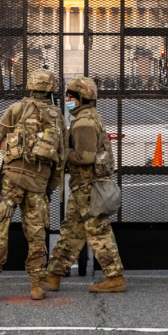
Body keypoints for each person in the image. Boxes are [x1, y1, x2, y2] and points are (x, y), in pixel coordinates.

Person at [0, 69, 66, 301]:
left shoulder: (16, 110)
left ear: (30, 86)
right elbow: (60, 159)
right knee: (37, 233)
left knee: (0, 228)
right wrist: (50, 187)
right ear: (51, 89)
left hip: (11, 179)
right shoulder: (58, 116)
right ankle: (36, 286)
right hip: (39, 182)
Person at [44, 77, 126, 293]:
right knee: (72, 230)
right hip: (85, 186)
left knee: (98, 232)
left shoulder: (83, 123)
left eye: (71, 96)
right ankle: (53, 274)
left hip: (87, 186)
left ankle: (115, 277)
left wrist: (62, 151)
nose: (67, 99)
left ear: (81, 99)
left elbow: (86, 156)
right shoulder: (88, 117)